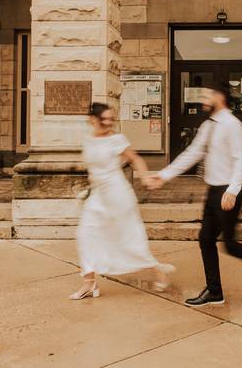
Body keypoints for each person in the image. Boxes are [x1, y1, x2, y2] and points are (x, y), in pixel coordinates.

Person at [148, 83, 242, 307]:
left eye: (208, 95)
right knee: (206, 239)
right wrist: (164, 175)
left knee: (230, 244)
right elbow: (192, 153)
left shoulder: (233, 125)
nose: (203, 99)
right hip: (213, 190)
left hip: (228, 192)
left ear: (220, 98)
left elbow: (241, 159)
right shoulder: (208, 125)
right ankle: (214, 292)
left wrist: (232, 190)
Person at [70, 103, 174, 301]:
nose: (109, 122)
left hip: (118, 194)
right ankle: (89, 283)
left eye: (111, 118)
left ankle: (158, 270)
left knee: (127, 238)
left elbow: (135, 159)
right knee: (85, 234)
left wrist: (145, 177)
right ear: (92, 119)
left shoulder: (117, 139)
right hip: (98, 196)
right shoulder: (88, 140)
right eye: (104, 118)